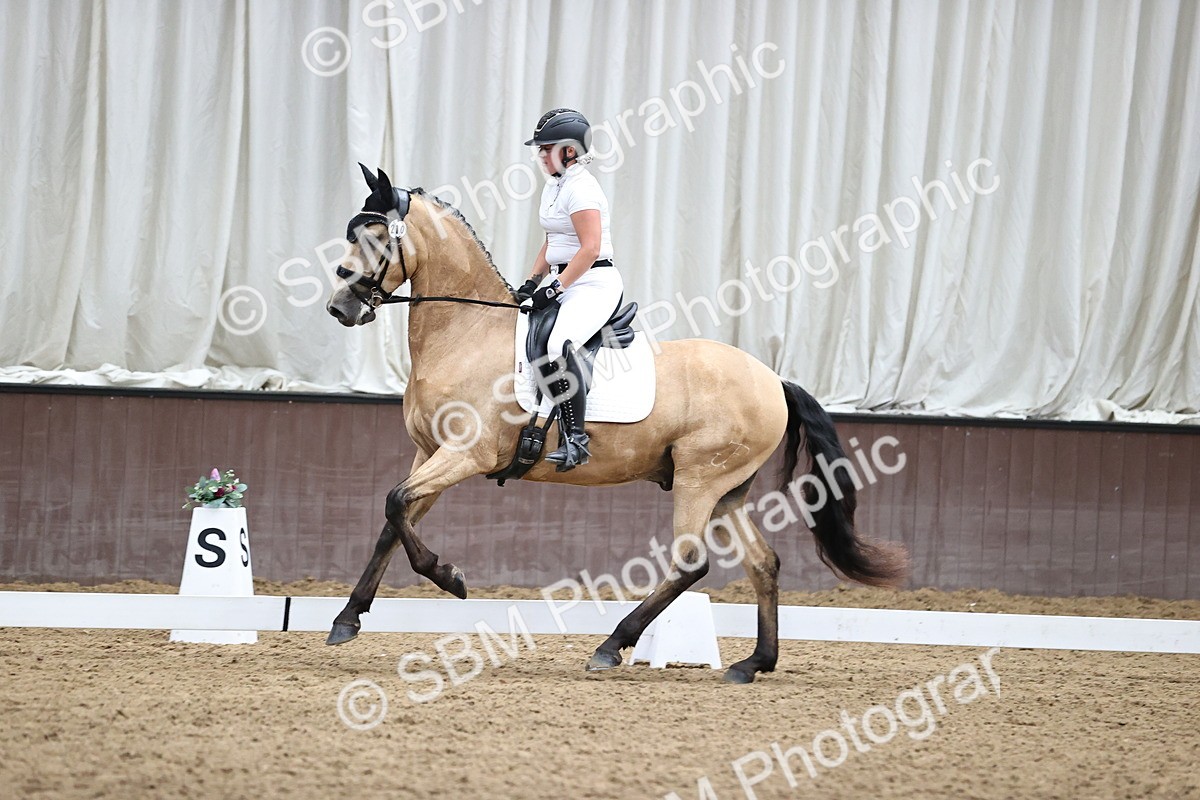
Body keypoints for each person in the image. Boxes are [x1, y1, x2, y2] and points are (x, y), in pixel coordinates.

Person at [514, 108, 623, 471]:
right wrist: (532, 281)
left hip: (594, 281)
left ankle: (576, 439)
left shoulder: (582, 188)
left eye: (548, 148)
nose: (542, 156)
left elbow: (589, 248)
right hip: (569, 278)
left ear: (571, 151)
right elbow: (554, 241)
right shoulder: (554, 185)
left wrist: (555, 288)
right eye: (540, 149)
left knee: (560, 342)